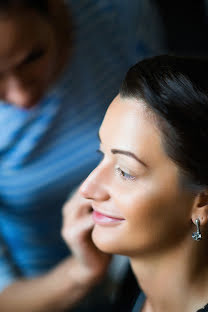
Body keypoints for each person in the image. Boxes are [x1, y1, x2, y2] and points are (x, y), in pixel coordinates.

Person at [0, 0, 166, 311]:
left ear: (56, 8)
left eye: (32, 57)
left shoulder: (118, 15)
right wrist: (81, 272)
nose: (21, 96)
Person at [70, 55, 208, 311]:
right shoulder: (133, 282)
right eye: (102, 154)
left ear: (202, 201)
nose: (87, 189)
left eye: (125, 171)